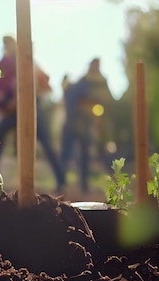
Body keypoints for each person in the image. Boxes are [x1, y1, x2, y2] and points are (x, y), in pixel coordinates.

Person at [0, 36, 66, 192]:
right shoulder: (1, 64)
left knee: (46, 143)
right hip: (10, 112)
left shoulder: (27, 62)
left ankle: (61, 180)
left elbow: (44, 83)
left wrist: (26, 95)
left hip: (29, 107)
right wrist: (2, 103)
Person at [61, 58, 114, 194]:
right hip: (78, 121)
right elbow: (75, 98)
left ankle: (91, 183)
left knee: (91, 152)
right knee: (70, 152)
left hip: (94, 122)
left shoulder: (102, 82)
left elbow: (106, 100)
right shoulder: (83, 82)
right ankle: (63, 182)